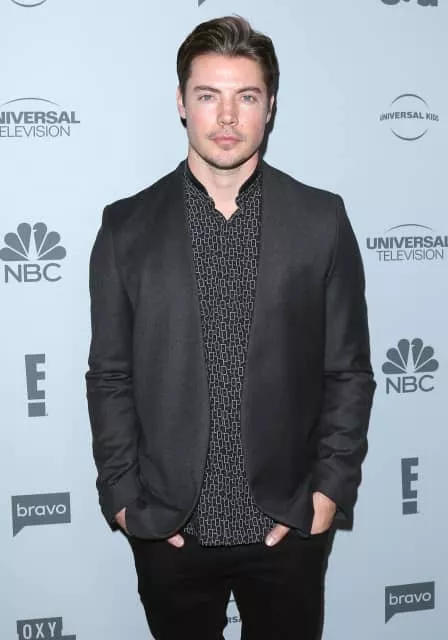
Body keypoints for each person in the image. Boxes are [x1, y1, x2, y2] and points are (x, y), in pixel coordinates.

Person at [86, 15, 375, 640]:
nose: (225, 116)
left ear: (269, 108)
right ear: (181, 103)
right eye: (207, 95)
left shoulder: (321, 220)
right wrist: (124, 498)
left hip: (288, 527)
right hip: (168, 530)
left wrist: (327, 492)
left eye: (245, 97)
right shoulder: (125, 228)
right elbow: (109, 375)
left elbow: (348, 371)